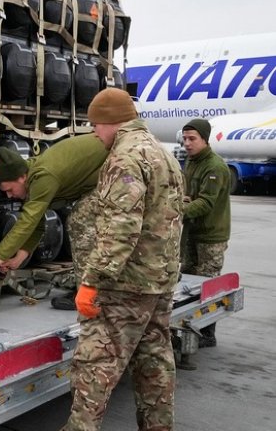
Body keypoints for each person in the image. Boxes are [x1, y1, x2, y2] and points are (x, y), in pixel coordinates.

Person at [62, 88, 185, 431]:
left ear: (110, 122)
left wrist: (91, 281)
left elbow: (121, 228)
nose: (95, 134)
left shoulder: (125, 158)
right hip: (159, 281)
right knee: (155, 360)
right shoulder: (164, 155)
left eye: (95, 126)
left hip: (125, 286)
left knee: (95, 364)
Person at [0, 135, 108, 312]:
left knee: (80, 220)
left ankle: (91, 293)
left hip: (120, 167)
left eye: (9, 190)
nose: (9, 196)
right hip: (103, 176)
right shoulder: (31, 178)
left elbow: (27, 222)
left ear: (21, 177)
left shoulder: (43, 176)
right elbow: (37, 223)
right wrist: (17, 260)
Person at [176, 118, 231, 369]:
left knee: (208, 285)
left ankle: (207, 333)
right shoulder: (192, 162)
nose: (187, 144)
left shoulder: (215, 166)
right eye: (185, 139)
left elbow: (206, 203)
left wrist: (177, 209)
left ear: (205, 139)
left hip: (210, 236)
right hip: (192, 233)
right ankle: (190, 329)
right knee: (188, 283)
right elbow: (191, 195)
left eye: (192, 139)